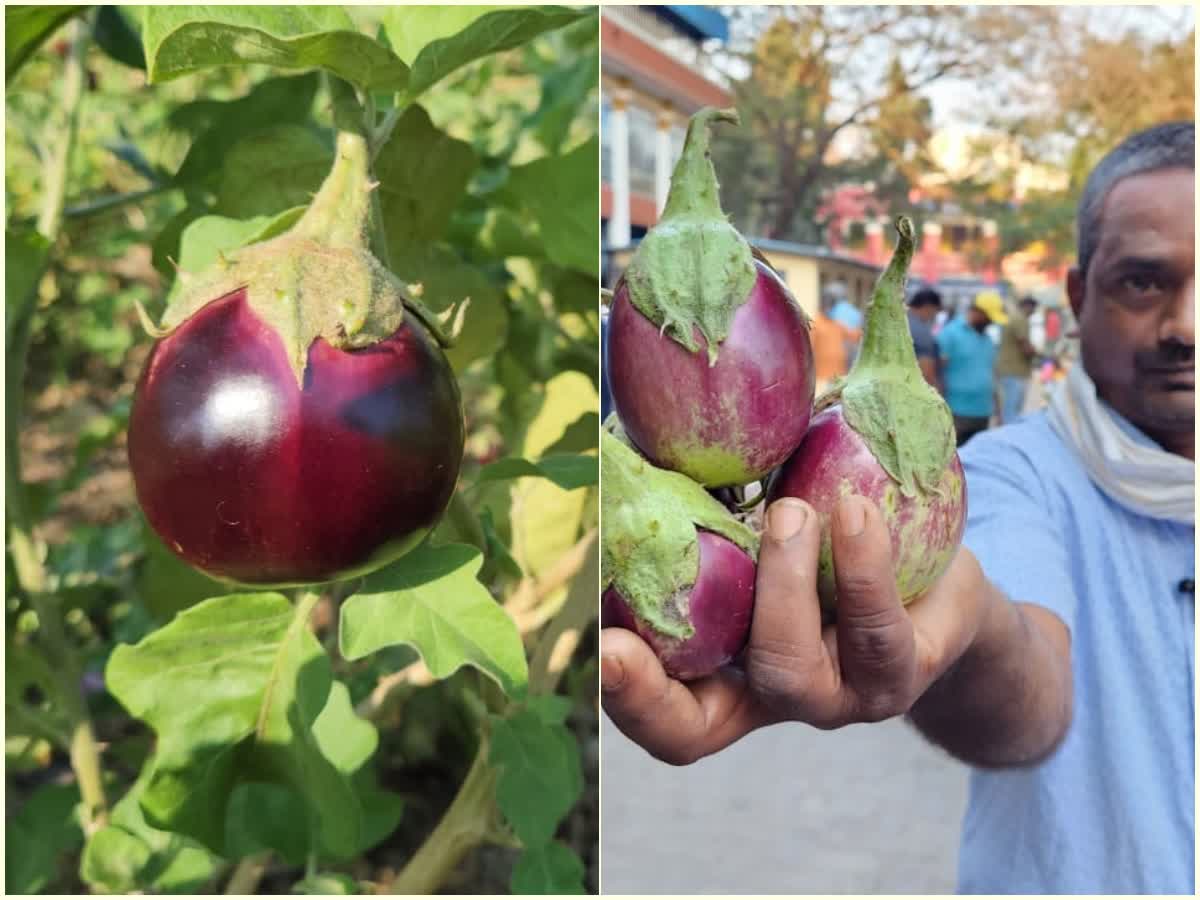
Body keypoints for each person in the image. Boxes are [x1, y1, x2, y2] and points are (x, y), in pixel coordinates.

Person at [600, 121, 1194, 894]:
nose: (1186, 326)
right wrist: (970, 623)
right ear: (1079, 295)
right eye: (1144, 282)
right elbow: (1035, 704)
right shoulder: (1013, 473)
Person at [935, 291, 1005, 445]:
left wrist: (999, 412)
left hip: (983, 412)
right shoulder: (949, 334)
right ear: (978, 312)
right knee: (952, 464)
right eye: (989, 318)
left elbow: (992, 376)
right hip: (956, 412)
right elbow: (936, 373)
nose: (991, 322)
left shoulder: (987, 340)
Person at [994, 296, 1039, 423]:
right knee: (1011, 413)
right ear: (1028, 306)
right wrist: (1040, 354)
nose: (1034, 312)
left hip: (1009, 370)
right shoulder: (1020, 319)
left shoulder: (1013, 318)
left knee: (1008, 410)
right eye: (1033, 308)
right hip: (1014, 372)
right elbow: (1026, 347)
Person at [810, 284, 861, 395]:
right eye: (827, 306)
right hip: (821, 376)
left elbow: (854, 336)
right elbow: (809, 348)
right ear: (822, 306)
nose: (829, 308)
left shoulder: (836, 323)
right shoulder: (815, 323)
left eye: (832, 306)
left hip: (838, 374)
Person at [907, 287, 943, 391]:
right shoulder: (921, 331)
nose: (934, 316)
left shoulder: (897, 322)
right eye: (935, 311)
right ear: (928, 307)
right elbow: (926, 368)